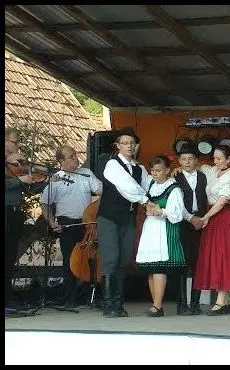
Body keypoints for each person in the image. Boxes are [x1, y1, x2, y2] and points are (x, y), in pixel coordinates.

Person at [96, 127, 154, 318]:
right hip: (109, 218)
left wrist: (169, 179)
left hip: (127, 218)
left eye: (132, 143)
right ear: (118, 145)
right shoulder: (112, 165)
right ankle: (108, 304)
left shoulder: (140, 169)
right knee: (111, 260)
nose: (129, 146)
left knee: (123, 261)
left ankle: (119, 303)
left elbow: (151, 186)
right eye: (125, 143)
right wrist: (145, 201)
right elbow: (127, 187)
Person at [40, 145, 103, 308]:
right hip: (67, 223)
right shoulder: (56, 179)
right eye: (71, 156)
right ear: (61, 161)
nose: (76, 158)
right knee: (69, 261)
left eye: (76, 154)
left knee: (92, 259)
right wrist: (52, 222)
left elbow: (101, 191)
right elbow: (45, 203)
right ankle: (71, 299)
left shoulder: (86, 174)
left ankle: (93, 296)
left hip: (87, 224)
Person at [192, 145, 230, 315]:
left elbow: (221, 201)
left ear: (228, 159)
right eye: (215, 158)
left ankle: (220, 300)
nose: (216, 161)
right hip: (214, 218)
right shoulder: (212, 171)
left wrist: (205, 217)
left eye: (219, 158)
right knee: (216, 256)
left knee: (224, 257)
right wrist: (176, 169)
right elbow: (197, 166)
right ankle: (224, 302)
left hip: (224, 217)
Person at [135, 155, 186, 317]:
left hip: (164, 229)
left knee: (158, 267)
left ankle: (157, 305)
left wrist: (161, 211)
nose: (155, 174)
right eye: (153, 171)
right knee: (151, 267)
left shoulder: (174, 189)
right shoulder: (151, 184)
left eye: (158, 171)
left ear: (167, 170)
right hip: (151, 228)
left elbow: (177, 214)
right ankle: (155, 304)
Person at [5, 128, 50, 308]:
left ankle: (8, 298)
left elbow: (27, 189)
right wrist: (20, 181)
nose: (18, 146)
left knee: (10, 256)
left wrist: (44, 183)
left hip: (15, 212)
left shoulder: (15, 165)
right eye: (15, 142)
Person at [173, 142, 208, 316]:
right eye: (184, 159)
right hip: (182, 223)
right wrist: (191, 218)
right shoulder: (175, 178)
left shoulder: (203, 176)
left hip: (201, 223)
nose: (187, 162)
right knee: (182, 264)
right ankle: (182, 304)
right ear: (179, 161)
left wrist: (201, 219)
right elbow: (176, 205)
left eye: (190, 159)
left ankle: (195, 303)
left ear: (196, 160)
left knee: (197, 265)